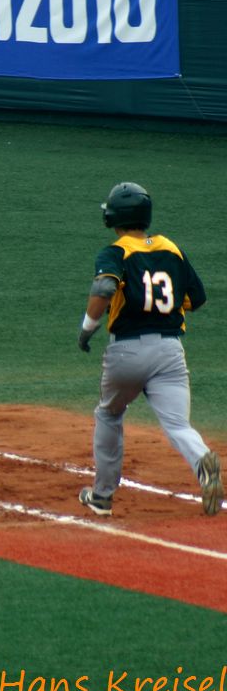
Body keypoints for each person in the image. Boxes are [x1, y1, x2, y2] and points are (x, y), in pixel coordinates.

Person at [77, 182, 221, 517]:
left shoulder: (116, 252)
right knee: (178, 425)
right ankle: (203, 461)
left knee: (109, 414)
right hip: (170, 352)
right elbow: (196, 299)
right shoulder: (171, 248)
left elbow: (105, 287)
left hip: (126, 354)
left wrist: (87, 328)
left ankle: (102, 496)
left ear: (114, 217)